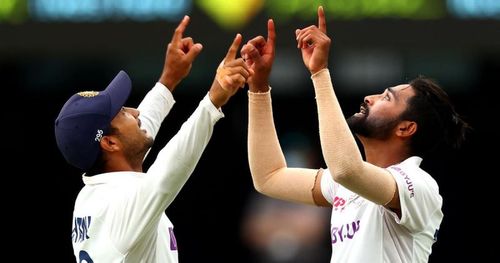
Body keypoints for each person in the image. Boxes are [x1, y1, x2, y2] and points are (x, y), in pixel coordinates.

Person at [242, 6, 469, 263]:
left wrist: (319, 73)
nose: (369, 98)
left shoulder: (419, 185)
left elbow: (346, 170)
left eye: (386, 98)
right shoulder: (345, 185)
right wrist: (258, 88)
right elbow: (269, 177)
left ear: (405, 128)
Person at [55, 15, 252, 262]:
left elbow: (140, 128)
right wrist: (213, 101)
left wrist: (169, 79)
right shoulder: (120, 201)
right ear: (109, 143)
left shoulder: (97, 192)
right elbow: (169, 168)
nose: (135, 112)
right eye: (123, 112)